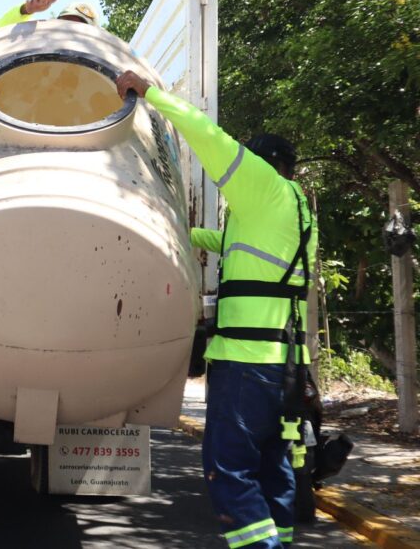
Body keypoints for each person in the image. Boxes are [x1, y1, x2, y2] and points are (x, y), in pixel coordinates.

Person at [115, 70, 317, 549]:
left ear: (265, 165)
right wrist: (175, 229)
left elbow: (208, 135)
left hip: (247, 363)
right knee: (274, 465)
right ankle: (279, 540)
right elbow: (228, 243)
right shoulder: (296, 211)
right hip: (288, 365)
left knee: (229, 467)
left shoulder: (262, 186)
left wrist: (151, 95)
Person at [0, 0, 100, 29]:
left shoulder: (99, 67)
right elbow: (2, 29)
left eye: (79, 27)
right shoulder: (38, 44)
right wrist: (26, 10)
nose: (70, 30)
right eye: (67, 23)